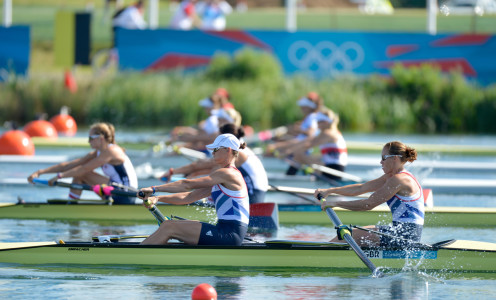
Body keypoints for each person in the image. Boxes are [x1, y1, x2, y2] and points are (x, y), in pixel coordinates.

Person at [138, 133, 249, 245]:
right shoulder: (222, 177)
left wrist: (154, 189)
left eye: (216, 149)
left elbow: (187, 184)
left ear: (228, 150)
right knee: (170, 225)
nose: (213, 152)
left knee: (169, 226)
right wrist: (157, 198)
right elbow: (188, 197)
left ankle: (137, 255)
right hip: (226, 231)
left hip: (229, 233)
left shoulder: (228, 173)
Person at [314, 141, 424, 248]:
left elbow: (368, 204)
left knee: (349, 235)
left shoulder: (399, 179)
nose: (381, 162)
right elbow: (361, 188)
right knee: (349, 234)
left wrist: (335, 203)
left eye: (383, 158)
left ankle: (317, 255)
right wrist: (330, 191)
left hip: (406, 236)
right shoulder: (392, 177)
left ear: (395, 158)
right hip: (400, 231)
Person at [27, 123, 138, 204]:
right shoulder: (98, 152)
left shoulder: (111, 151)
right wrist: (40, 172)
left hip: (126, 195)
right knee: (78, 176)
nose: (88, 141)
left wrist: (58, 177)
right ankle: (72, 205)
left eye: (91, 138)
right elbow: (71, 165)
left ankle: (71, 206)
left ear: (101, 138)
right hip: (115, 191)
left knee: (82, 173)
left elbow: (84, 169)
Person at [162, 123, 268, 203]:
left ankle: (201, 201)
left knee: (215, 178)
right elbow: (208, 169)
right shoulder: (242, 149)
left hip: (253, 194)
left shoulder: (236, 153)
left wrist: (172, 172)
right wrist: (193, 175)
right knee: (216, 173)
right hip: (258, 191)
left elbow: (198, 165)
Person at [281, 110, 347, 181]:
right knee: (306, 156)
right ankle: (305, 177)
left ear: (326, 122)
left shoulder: (328, 134)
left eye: (319, 121)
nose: (317, 124)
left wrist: (287, 152)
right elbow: (306, 141)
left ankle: (287, 179)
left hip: (334, 170)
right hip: (333, 168)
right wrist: (287, 150)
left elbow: (307, 144)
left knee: (298, 155)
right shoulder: (331, 132)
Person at [265, 92, 322, 175]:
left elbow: (311, 133)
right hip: (298, 143)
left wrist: (299, 129)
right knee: (273, 146)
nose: (301, 109)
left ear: (309, 107)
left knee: (271, 148)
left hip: (302, 147)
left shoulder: (312, 117)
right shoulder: (309, 117)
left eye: (303, 107)